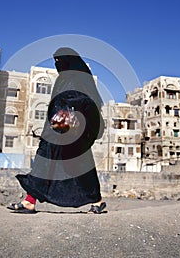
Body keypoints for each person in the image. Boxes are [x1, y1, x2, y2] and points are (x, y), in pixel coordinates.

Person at [7, 47, 106, 214]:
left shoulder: (80, 78)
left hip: (73, 132)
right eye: (55, 61)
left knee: (80, 166)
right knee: (43, 160)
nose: (57, 64)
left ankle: (97, 200)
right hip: (54, 130)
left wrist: (70, 108)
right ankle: (30, 201)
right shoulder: (63, 78)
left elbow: (88, 101)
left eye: (60, 61)